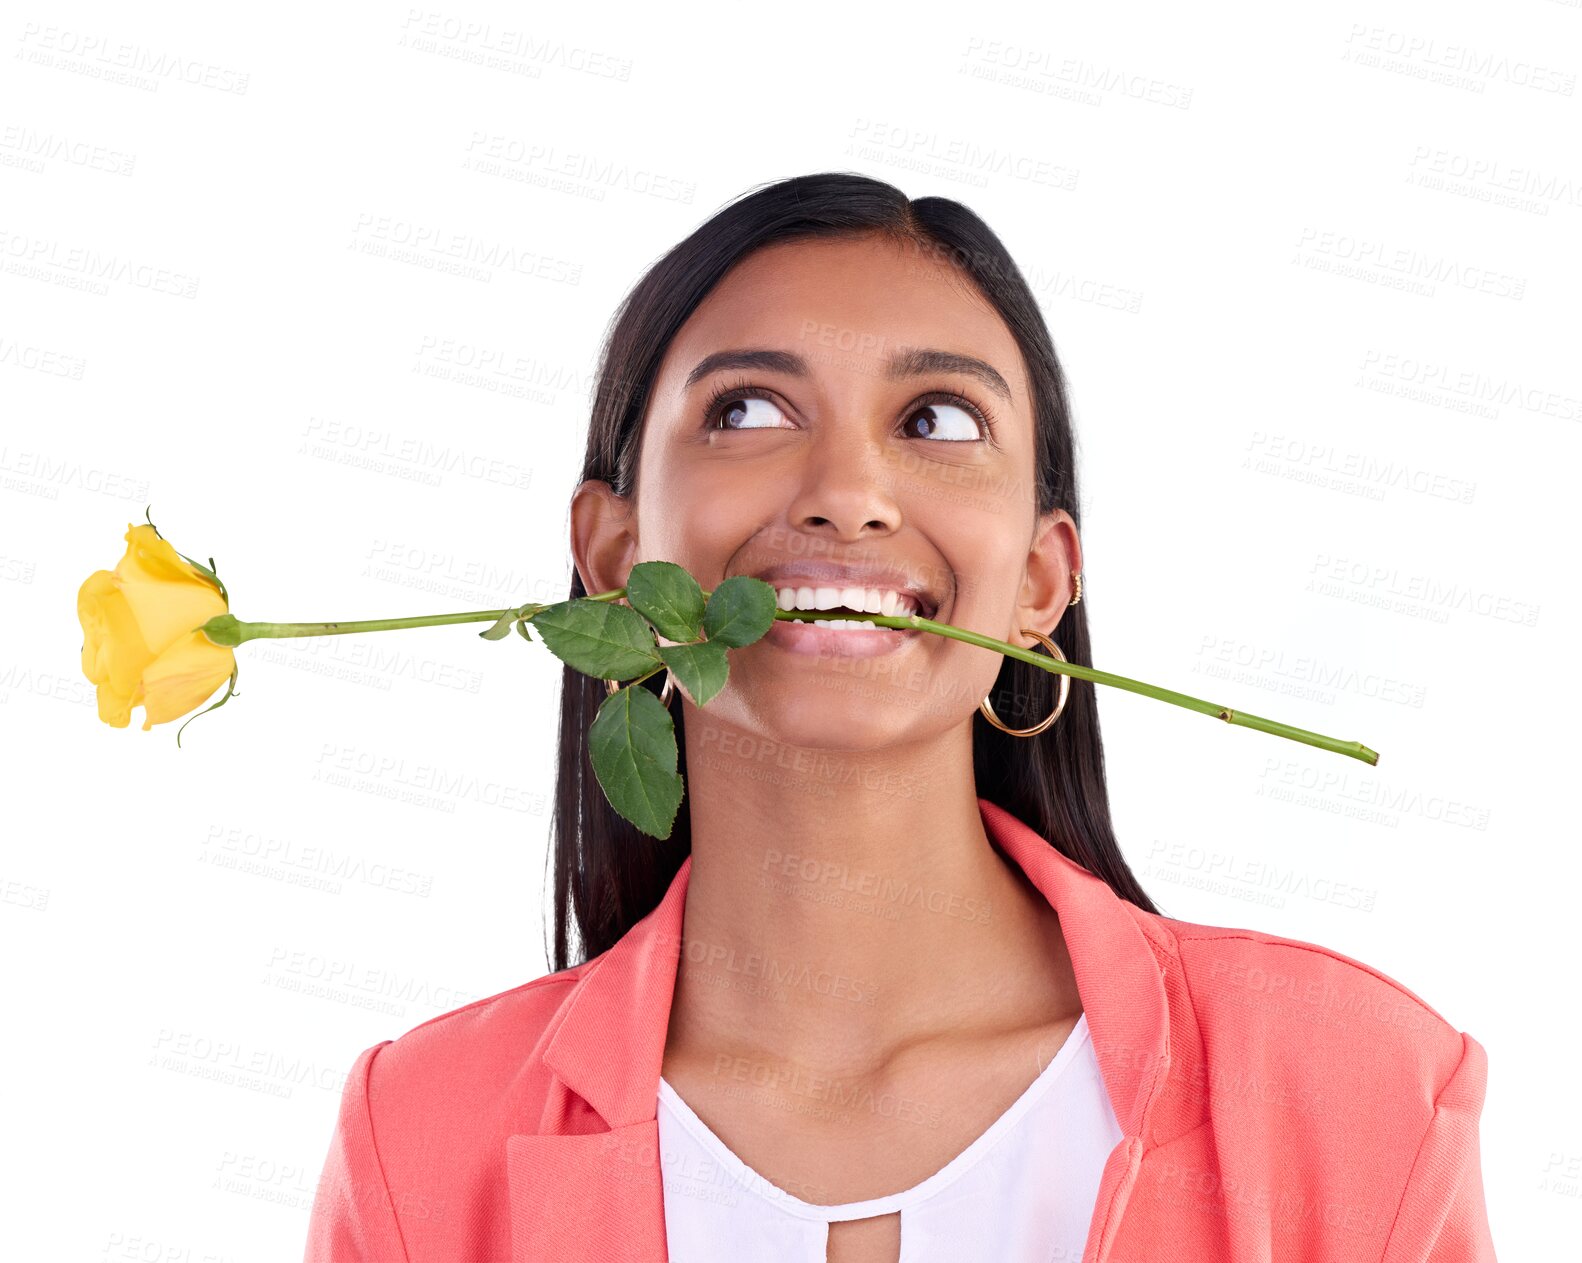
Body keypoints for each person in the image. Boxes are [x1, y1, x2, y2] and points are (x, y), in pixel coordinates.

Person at [303, 172, 1497, 1262]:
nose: (845, 495)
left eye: (937, 421)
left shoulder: (1361, 1091)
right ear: (611, 555)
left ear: (1040, 581)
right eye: (748, 410)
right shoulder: (418, 1141)